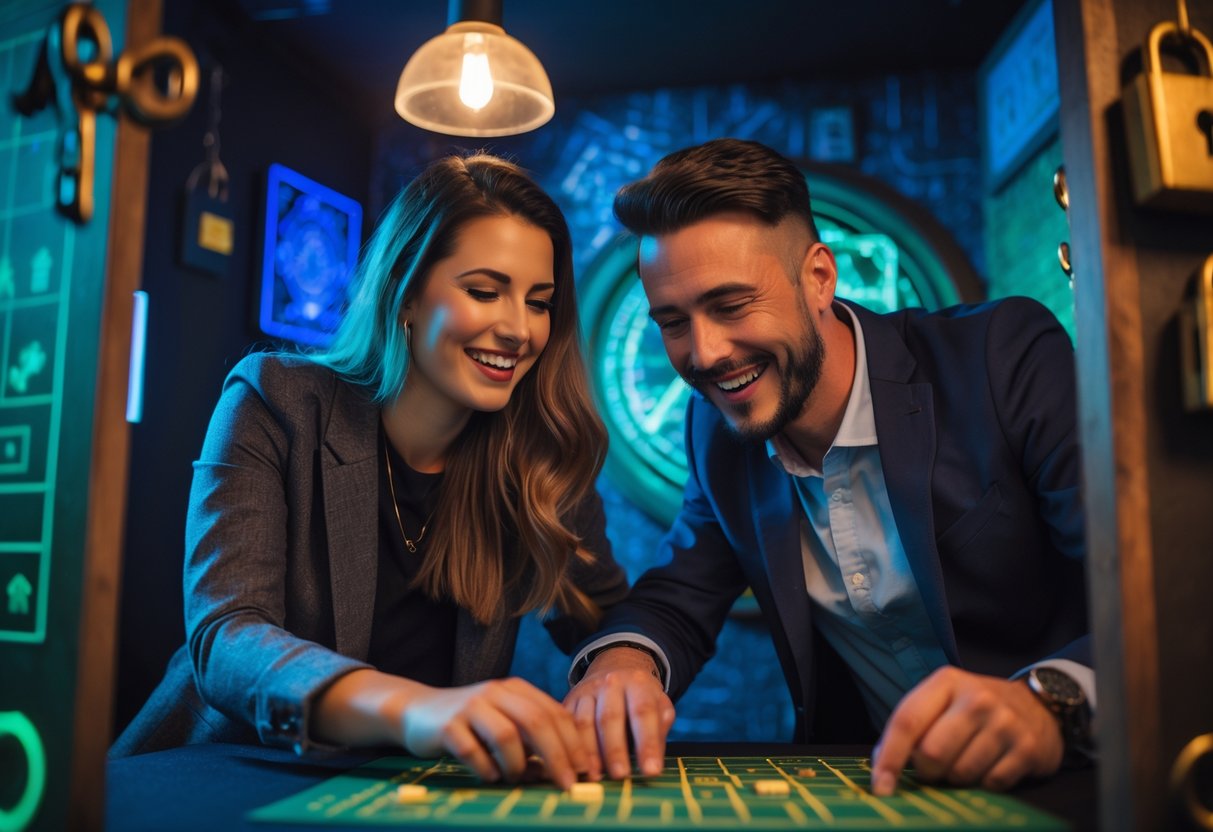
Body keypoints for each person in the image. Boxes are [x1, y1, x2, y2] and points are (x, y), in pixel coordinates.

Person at [564, 138, 1092, 795]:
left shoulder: (1002, 357)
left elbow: (1144, 590)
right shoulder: (716, 433)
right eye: (673, 321)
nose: (703, 353)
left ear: (818, 277)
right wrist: (621, 663)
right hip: (876, 794)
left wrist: (1049, 702)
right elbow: (679, 595)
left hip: (1076, 781)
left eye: (730, 306)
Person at [113, 153, 628, 790]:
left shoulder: (537, 453)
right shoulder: (274, 401)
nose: (518, 329)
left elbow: (606, 616)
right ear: (407, 295)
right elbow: (227, 637)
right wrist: (416, 708)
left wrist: (619, 668)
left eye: (539, 302)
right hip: (225, 777)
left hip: (408, 794)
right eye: (484, 291)